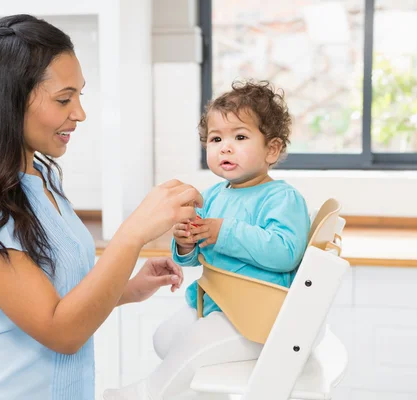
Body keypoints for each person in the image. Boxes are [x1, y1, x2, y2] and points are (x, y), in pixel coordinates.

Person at [0, 14, 202, 400]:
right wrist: (132, 234)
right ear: (9, 100)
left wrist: (129, 288)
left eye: (79, 96)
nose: (80, 113)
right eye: (64, 99)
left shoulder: (41, 179)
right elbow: (60, 331)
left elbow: (61, 297)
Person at [103, 80, 311, 399]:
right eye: (216, 139)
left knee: (190, 349)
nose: (224, 147)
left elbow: (285, 253)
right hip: (217, 303)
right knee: (164, 340)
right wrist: (186, 243)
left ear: (272, 148)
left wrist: (222, 232)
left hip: (255, 315)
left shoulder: (281, 197)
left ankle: (148, 392)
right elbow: (195, 257)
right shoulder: (212, 196)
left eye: (240, 137)